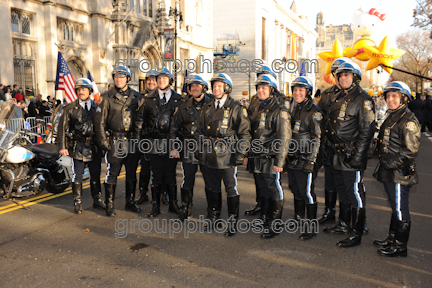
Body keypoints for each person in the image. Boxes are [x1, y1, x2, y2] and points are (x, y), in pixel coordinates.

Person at [322, 61, 376, 248]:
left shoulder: (363, 99)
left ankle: (357, 232)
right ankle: (344, 224)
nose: (343, 78)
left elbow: (367, 131)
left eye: (347, 75)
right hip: (336, 155)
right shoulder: (338, 96)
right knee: (343, 192)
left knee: (355, 194)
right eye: (340, 75)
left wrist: (358, 158)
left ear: (354, 77)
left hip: (352, 156)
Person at [197, 73, 251, 236]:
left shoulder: (236, 107)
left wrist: (240, 154)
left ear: (227, 88)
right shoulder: (207, 107)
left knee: (230, 188)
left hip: (227, 154)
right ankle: (214, 216)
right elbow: (199, 131)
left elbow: (245, 134)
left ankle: (233, 221)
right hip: (209, 153)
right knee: (212, 187)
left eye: (219, 86)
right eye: (214, 86)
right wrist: (200, 150)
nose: (216, 88)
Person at [373, 81, 420, 257]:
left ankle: (400, 247)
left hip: (399, 173)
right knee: (394, 206)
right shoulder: (393, 116)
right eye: (388, 96)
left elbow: (410, 151)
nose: (390, 99)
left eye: (395, 96)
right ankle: (392, 239)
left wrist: (389, 164)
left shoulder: (409, 121)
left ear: (404, 98)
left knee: (401, 208)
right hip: (389, 171)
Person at [245, 74, 291, 238]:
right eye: (258, 87)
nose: (260, 90)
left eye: (264, 87)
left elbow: (284, 138)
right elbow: (252, 132)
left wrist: (280, 161)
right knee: (263, 188)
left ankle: (275, 223)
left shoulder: (280, 110)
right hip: (257, 156)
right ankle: (264, 218)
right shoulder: (258, 108)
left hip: (271, 157)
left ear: (271, 90)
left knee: (274, 189)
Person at [94, 65, 142, 216]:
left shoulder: (137, 96)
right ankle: (110, 203)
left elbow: (141, 120)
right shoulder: (106, 96)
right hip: (115, 140)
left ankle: (130, 201)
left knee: (132, 173)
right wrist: (104, 143)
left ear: (128, 78)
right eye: (116, 76)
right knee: (112, 173)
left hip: (132, 141)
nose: (118, 79)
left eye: (122, 76)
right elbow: (99, 122)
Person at [135, 67, 183, 217]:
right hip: (153, 142)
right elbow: (139, 122)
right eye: (159, 78)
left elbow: (181, 124)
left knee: (170, 175)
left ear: (170, 81)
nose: (161, 81)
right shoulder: (148, 99)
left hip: (171, 143)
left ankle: (173, 204)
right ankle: (155, 206)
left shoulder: (178, 99)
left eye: (164, 78)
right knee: (156, 175)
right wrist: (139, 143)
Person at [57, 78, 105, 214]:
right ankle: (77, 202)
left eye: (83, 89)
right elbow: (62, 128)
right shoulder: (69, 108)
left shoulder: (98, 107)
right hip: (78, 146)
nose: (81, 91)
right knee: (77, 176)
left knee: (95, 175)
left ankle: (97, 199)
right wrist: (62, 146)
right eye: (78, 89)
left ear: (89, 91)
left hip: (94, 146)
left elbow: (103, 126)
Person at [170, 74, 212, 221]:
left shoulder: (212, 103)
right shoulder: (183, 106)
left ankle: (211, 211)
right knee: (187, 180)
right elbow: (174, 129)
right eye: (191, 86)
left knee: (210, 181)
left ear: (203, 88)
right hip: (188, 148)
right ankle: (185, 208)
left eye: (197, 86)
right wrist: (175, 148)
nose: (194, 88)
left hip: (207, 148)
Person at [286, 76, 323, 240]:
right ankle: (299, 218)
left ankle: (312, 226)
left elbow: (317, 138)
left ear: (308, 92)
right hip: (293, 158)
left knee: (307, 192)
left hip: (306, 158)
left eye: (301, 90)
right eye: (295, 90)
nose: (297, 93)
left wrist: (311, 161)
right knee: (296, 189)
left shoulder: (314, 112)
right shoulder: (295, 108)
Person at [316, 57, 350, 226]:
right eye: (336, 74)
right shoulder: (326, 94)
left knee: (350, 186)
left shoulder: (354, 95)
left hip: (346, 149)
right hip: (328, 147)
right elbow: (319, 119)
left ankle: (358, 219)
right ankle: (329, 212)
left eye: (342, 73)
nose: (339, 77)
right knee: (329, 181)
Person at [136, 69, 157, 205]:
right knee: (144, 169)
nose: (150, 82)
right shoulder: (139, 97)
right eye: (148, 80)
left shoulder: (162, 96)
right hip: (145, 138)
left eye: (153, 80)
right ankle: (143, 193)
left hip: (160, 139)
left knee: (161, 170)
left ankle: (162, 194)